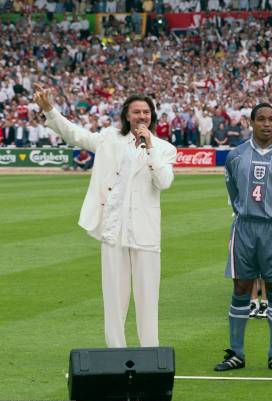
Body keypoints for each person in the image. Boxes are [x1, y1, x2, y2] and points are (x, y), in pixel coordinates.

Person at [33, 85, 177, 348]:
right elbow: (75, 134)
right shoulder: (110, 138)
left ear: (152, 117)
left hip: (145, 232)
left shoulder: (164, 148)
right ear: (126, 115)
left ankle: (150, 354)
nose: (141, 116)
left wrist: (150, 148)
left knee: (147, 300)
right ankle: (116, 354)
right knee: (114, 300)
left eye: (146, 112)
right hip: (113, 230)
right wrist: (49, 110)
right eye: (136, 112)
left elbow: (164, 182)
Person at [215, 103, 272, 372]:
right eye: (261, 119)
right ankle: (236, 353)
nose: (267, 124)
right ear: (251, 122)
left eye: (271, 119)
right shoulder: (236, 156)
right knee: (241, 287)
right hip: (244, 227)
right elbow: (234, 193)